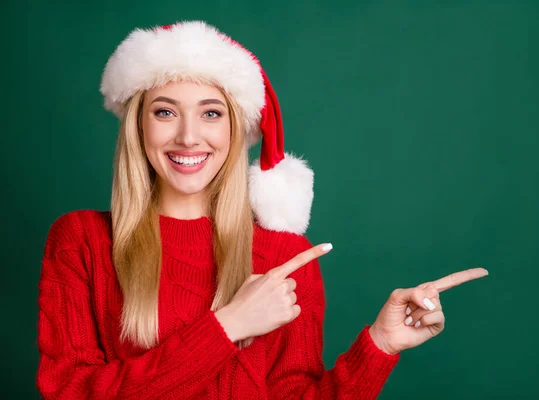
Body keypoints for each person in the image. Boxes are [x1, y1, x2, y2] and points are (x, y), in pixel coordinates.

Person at [35, 21, 488, 399]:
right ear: (138, 125)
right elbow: (68, 391)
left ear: (236, 129)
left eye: (211, 113)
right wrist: (227, 325)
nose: (189, 137)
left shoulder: (285, 256)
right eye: (165, 112)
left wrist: (380, 345)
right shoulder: (83, 240)